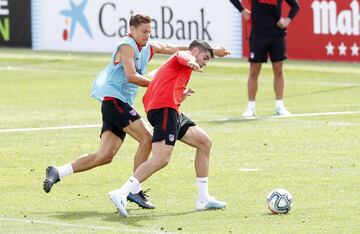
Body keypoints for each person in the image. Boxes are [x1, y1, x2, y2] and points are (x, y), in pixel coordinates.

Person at [43, 13, 230, 210]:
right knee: (147, 139)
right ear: (132, 30)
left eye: (149, 31)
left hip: (121, 104)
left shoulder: (148, 47)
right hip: (113, 99)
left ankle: (59, 171)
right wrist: (163, 85)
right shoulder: (126, 46)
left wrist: (211, 51)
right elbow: (131, 76)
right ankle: (132, 190)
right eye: (143, 31)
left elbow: (175, 49)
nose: (147, 35)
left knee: (105, 155)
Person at [107, 39, 230, 217]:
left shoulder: (182, 65)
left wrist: (182, 93)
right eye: (204, 57)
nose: (205, 62)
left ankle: (203, 199)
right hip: (165, 110)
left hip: (171, 109)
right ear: (195, 52)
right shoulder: (185, 57)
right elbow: (183, 54)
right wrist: (191, 61)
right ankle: (122, 192)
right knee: (160, 159)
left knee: (204, 143)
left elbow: (169, 83)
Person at [230, 0, 300, 117]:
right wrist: (242, 10)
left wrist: (288, 20)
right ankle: (250, 108)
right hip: (258, 33)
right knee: (254, 70)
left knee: (278, 69)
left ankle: (279, 106)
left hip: (277, 33)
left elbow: (295, 5)